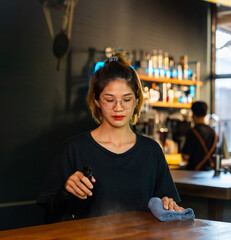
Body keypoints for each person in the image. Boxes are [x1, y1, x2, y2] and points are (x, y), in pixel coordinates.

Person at [37, 53, 184, 223]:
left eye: (126, 99)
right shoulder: (74, 149)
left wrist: (168, 205)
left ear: (136, 100)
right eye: (109, 100)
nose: (118, 108)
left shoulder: (151, 151)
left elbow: (167, 206)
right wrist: (66, 191)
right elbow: (48, 214)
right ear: (97, 101)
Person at [181, 101, 217, 171]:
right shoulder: (213, 132)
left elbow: (186, 156)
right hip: (210, 171)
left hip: (193, 172)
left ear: (193, 114)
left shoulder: (192, 132)